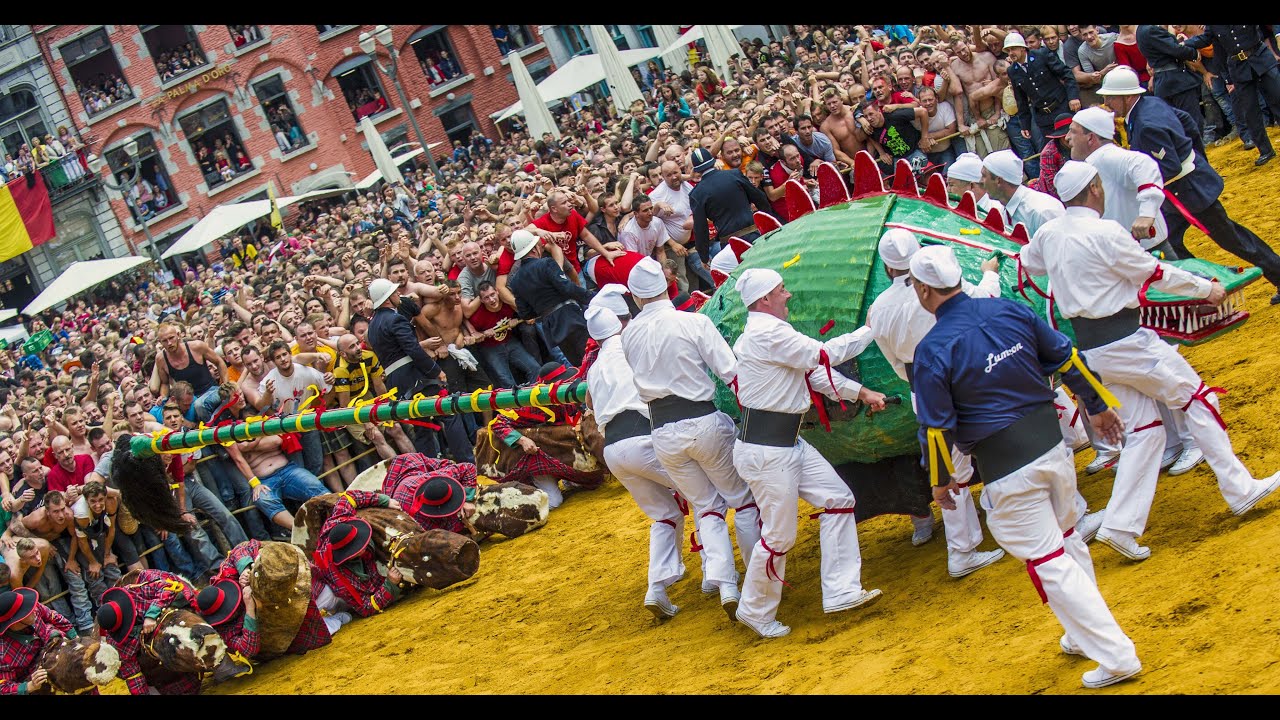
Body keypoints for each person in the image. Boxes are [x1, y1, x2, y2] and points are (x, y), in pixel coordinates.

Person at [1019, 161, 1280, 561]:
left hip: (1093, 349)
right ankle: (1240, 488)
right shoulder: (1103, 231)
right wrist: (1205, 289)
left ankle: (1121, 526)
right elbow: (1154, 272)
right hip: (1128, 342)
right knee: (1199, 399)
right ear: (1094, 190)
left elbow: (1030, 264)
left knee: (1146, 430)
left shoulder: (1049, 233)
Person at [909, 243, 1141, 690]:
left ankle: (1115, 656)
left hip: (1007, 466)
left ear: (922, 291)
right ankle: (1081, 634)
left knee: (1048, 558)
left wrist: (940, 480)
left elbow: (936, 429)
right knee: (1067, 540)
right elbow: (1067, 357)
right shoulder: (1009, 310)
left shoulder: (933, 348)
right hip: (1053, 448)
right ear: (958, 278)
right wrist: (1096, 405)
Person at [728, 268, 888, 639]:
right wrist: (871, 328)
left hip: (785, 445)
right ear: (765, 298)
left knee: (838, 499)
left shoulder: (770, 334)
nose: (789, 295)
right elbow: (824, 354)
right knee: (780, 537)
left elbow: (812, 373)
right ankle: (753, 611)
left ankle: (842, 591)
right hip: (768, 452)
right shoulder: (767, 332)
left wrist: (860, 393)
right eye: (782, 290)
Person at [863, 229, 1025, 568]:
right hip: (968, 377)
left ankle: (962, 551)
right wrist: (991, 272)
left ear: (886, 267)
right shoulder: (941, 286)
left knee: (950, 469)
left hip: (921, 388)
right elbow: (985, 300)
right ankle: (1017, 520)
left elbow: (894, 361)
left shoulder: (878, 309)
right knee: (1000, 444)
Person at [621, 256, 761, 618]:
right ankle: (757, 583)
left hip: (662, 432)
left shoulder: (629, 335)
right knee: (742, 501)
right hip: (701, 420)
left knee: (707, 506)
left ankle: (727, 584)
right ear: (668, 285)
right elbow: (731, 372)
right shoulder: (693, 321)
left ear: (636, 297)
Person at [1099, 66, 1280, 304]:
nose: (1107, 102)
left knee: (1234, 240)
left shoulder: (1145, 124)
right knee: (1170, 244)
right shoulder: (1150, 105)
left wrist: (1142, 182)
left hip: (1188, 193)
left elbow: (1169, 166)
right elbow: (1186, 121)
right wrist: (1194, 152)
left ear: (1126, 96)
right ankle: (1202, 288)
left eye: (1110, 97)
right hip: (1181, 192)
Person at [582, 303, 692, 619]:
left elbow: (589, 402)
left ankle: (657, 587)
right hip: (645, 440)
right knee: (708, 496)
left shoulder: (595, 367)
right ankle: (722, 580)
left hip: (614, 452)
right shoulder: (631, 345)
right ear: (621, 324)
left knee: (665, 516)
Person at [365, 278, 469, 461]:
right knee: (448, 413)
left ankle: (430, 469)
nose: (399, 294)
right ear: (387, 299)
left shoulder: (372, 326)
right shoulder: (395, 319)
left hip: (396, 381)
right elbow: (413, 349)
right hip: (415, 377)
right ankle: (467, 462)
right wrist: (436, 370)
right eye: (395, 292)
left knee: (422, 427)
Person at [1184, 26, 1280, 165]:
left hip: (1260, 57)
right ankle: (1265, 150)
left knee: (1278, 95)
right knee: (1249, 110)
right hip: (1238, 66)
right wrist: (1184, 44)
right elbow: (1206, 39)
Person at [311, 490, 404, 617]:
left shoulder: (338, 520)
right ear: (347, 554)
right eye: (357, 547)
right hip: (333, 596)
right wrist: (389, 584)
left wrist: (384, 500)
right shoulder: (341, 578)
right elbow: (365, 608)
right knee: (334, 600)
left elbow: (348, 497)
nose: (363, 546)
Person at [507, 229, 593, 367]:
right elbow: (567, 287)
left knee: (580, 366)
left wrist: (543, 307)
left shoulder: (515, 281)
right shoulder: (546, 263)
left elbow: (525, 313)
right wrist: (592, 297)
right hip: (569, 317)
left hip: (551, 327)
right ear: (534, 249)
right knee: (592, 357)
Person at [1004, 32, 1081, 177]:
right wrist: (1025, 124)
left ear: (1022, 48)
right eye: (1008, 50)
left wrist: (1073, 97)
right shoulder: (1012, 71)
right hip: (1043, 117)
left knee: (1073, 143)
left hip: (1061, 108)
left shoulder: (1042, 55)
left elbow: (1067, 74)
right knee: (1054, 152)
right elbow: (1021, 100)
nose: (1011, 53)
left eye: (1013, 48)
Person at [689, 147, 775, 265]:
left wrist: (704, 257)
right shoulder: (734, 174)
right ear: (713, 161)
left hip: (730, 245)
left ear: (696, 170)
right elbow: (759, 198)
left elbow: (700, 228)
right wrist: (769, 223)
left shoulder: (696, 194)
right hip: (755, 234)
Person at [0, 587, 77, 695]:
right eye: (26, 612)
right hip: (37, 678)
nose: (33, 610)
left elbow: (52, 616)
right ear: (15, 622)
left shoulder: (34, 608)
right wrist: (28, 686)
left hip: (55, 644)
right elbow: (2, 686)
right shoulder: (3, 654)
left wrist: (74, 637)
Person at [379, 453, 477, 534]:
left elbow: (469, 468)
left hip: (412, 464)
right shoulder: (417, 519)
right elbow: (446, 531)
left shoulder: (440, 477)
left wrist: (467, 500)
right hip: (400, 488)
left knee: (448, 464)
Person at [981, 149, 1065, 236]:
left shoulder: (1043, 213)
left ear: (998, 181)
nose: (981, 181)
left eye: (984, 176)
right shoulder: (1004, 207)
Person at [1135, 25, 1204, 126]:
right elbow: (1175, 49)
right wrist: (1194, 54)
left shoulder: (1141, 30)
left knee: (1178, 126)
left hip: (1164, 82)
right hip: (1176, 82)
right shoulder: (1151, 29)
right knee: (1192, 123)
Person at [945, 152, 1009, 227]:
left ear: (972, 186)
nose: (947, 190)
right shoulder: (951, 210)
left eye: (951, 185)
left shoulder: (999, 212)